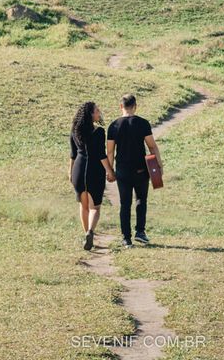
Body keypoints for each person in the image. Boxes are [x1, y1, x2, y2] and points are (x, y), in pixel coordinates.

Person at [107, 94, 162, 248]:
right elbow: (151, 146)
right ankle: (140, 232)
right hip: (141, 170)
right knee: (141, 200)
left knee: (125, 204)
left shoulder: (114, 126)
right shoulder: (143, 123)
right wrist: (159, 165)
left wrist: (110, 170)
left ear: (121, 106)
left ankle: (126, 238)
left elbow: (110, 152)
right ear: (135, 106)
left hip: (122, 171)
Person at [69, 101, 116, 251]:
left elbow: (73, 154)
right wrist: (110, 171)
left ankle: (86, 236)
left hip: (78, 169)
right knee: (94, 207)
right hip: (94, 170)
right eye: (96, 111)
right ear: (90, 115)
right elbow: (101, 155)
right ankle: (90, 231)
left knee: (83, 206)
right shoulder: (99, 132)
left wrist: (70, 172)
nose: (99, 112)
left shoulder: (74, 131)